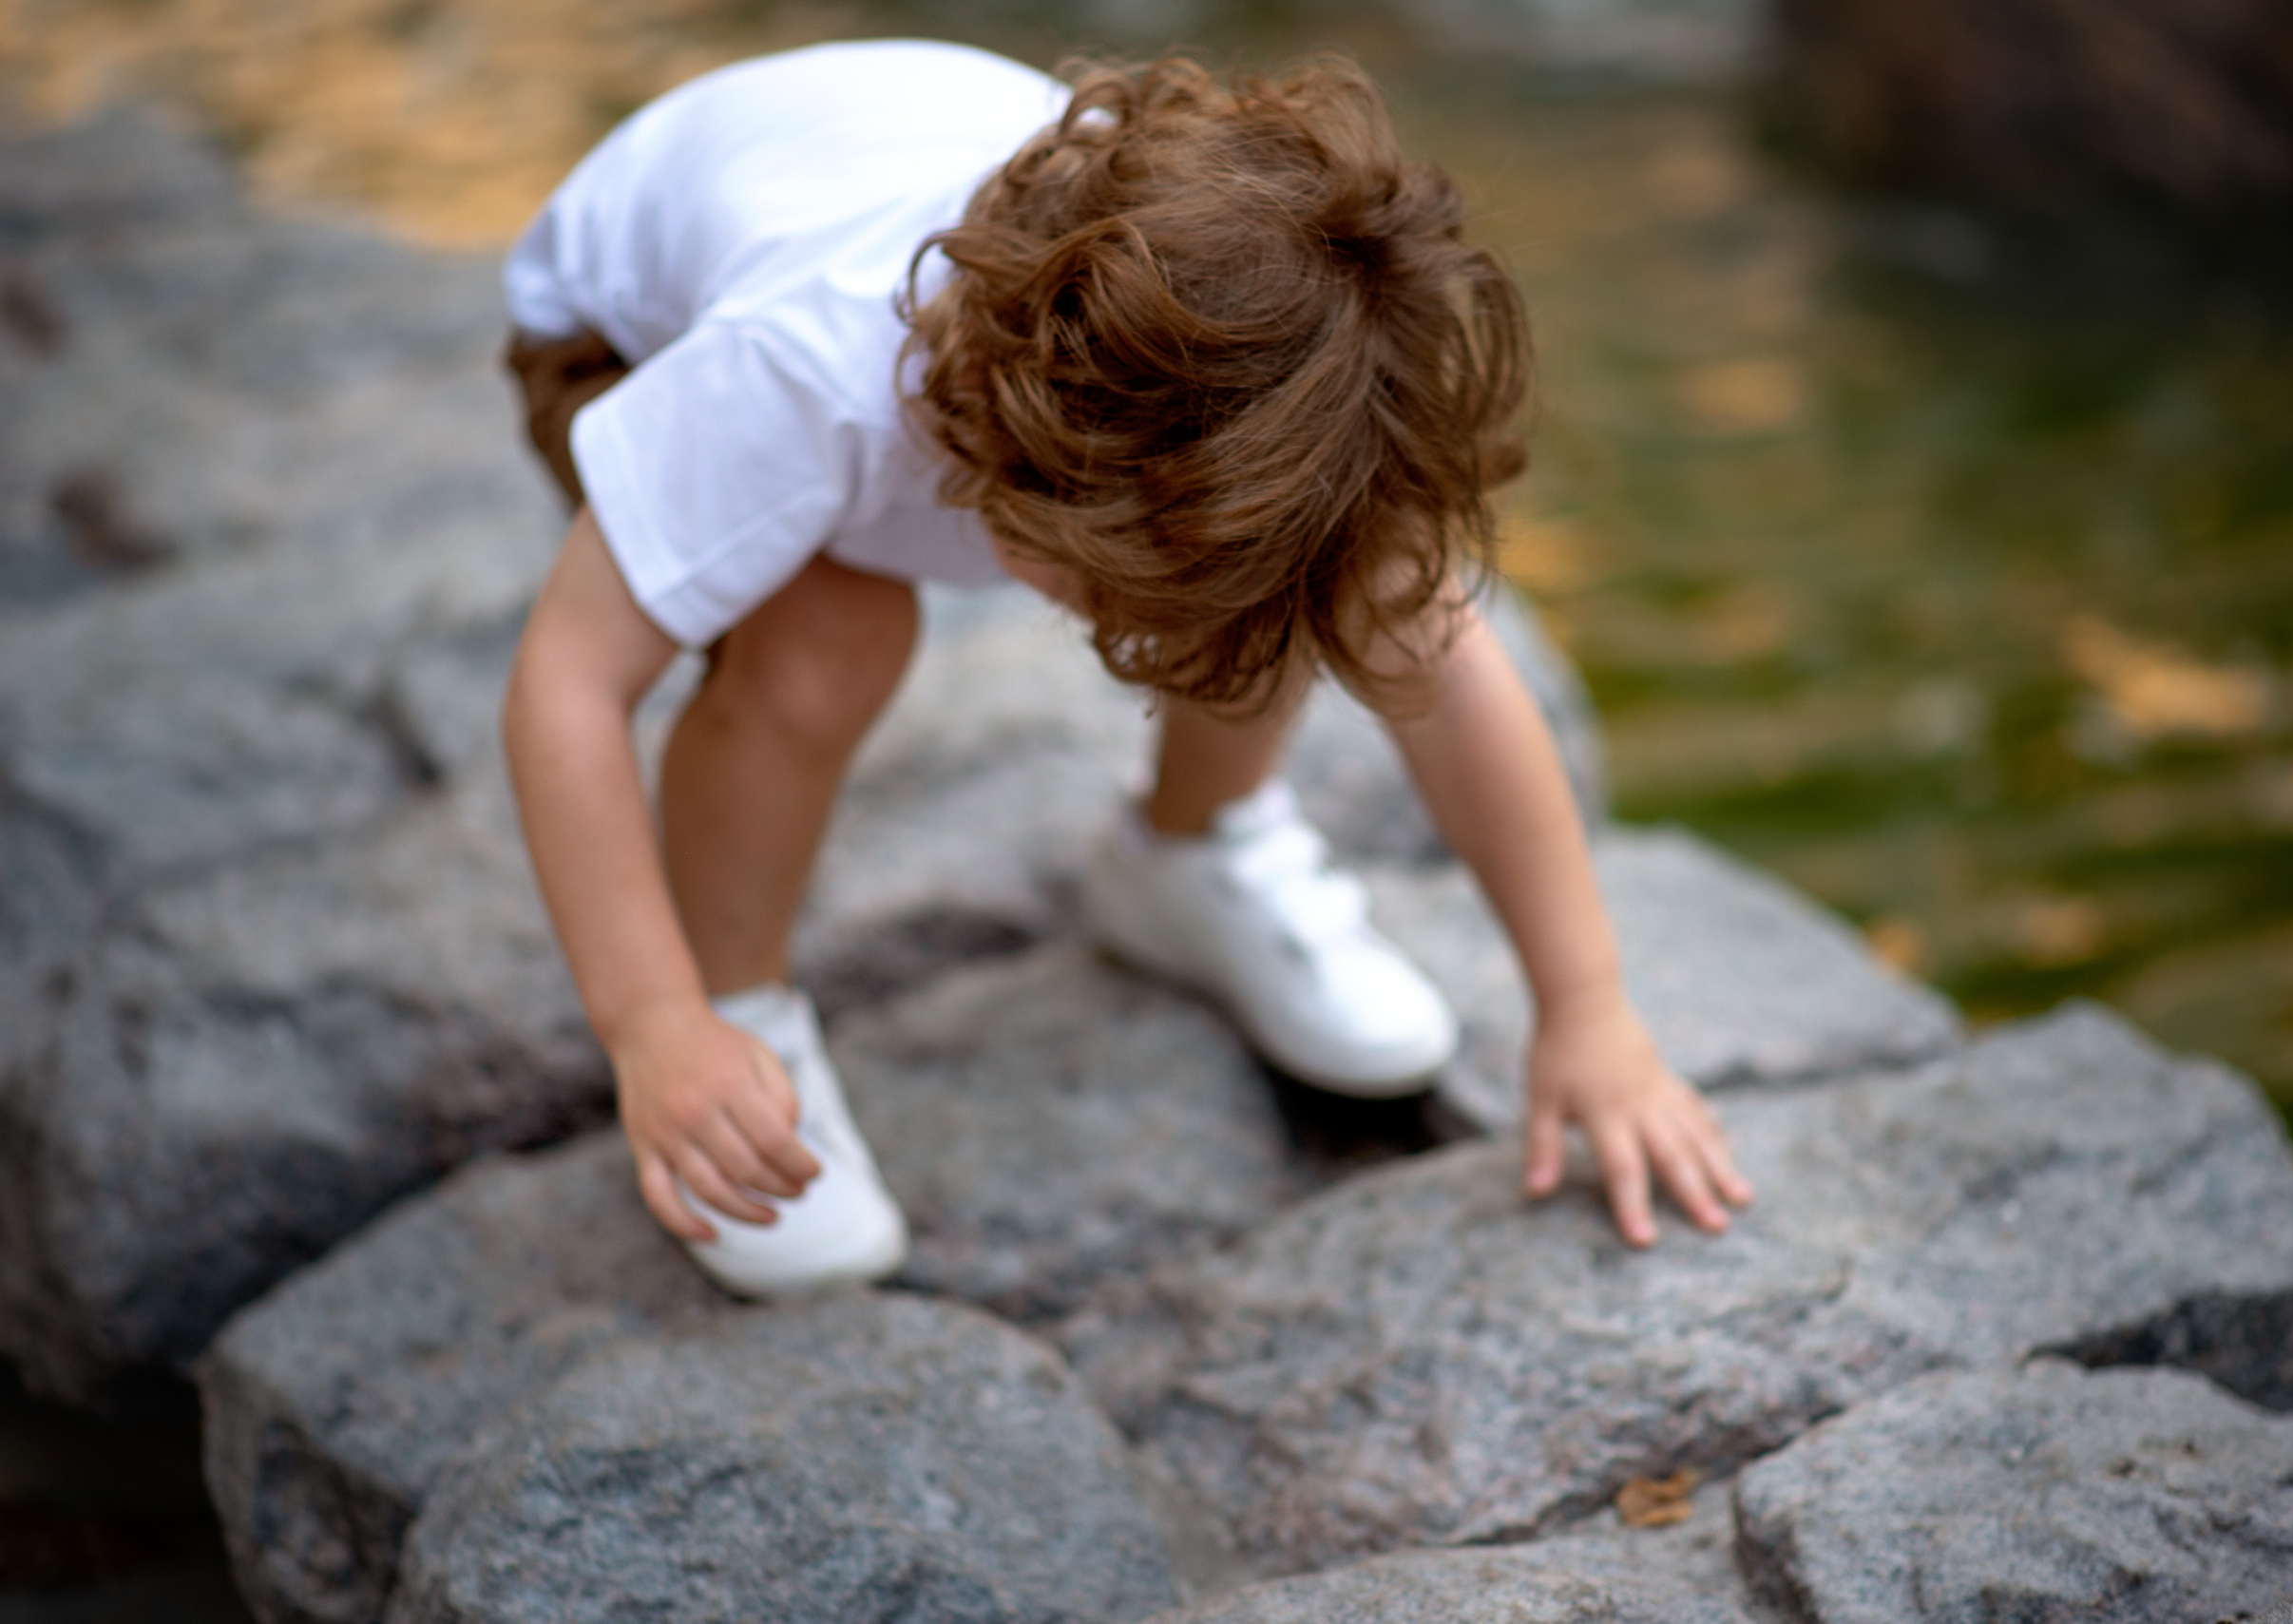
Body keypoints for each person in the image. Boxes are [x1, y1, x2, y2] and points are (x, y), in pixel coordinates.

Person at [498, 37, 1751, 1298]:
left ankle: (1192, 852)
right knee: (832, 641)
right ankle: (738, 1015)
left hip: (930, 274)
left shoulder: (1271, 378)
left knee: (1287, 579)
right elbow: (566, 686)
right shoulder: (794, 376)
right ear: (1022, 512)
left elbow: (1453, 674)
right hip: (621, 330)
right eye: (1113, 590)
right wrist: (653, 1027)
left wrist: (1586, 1004)